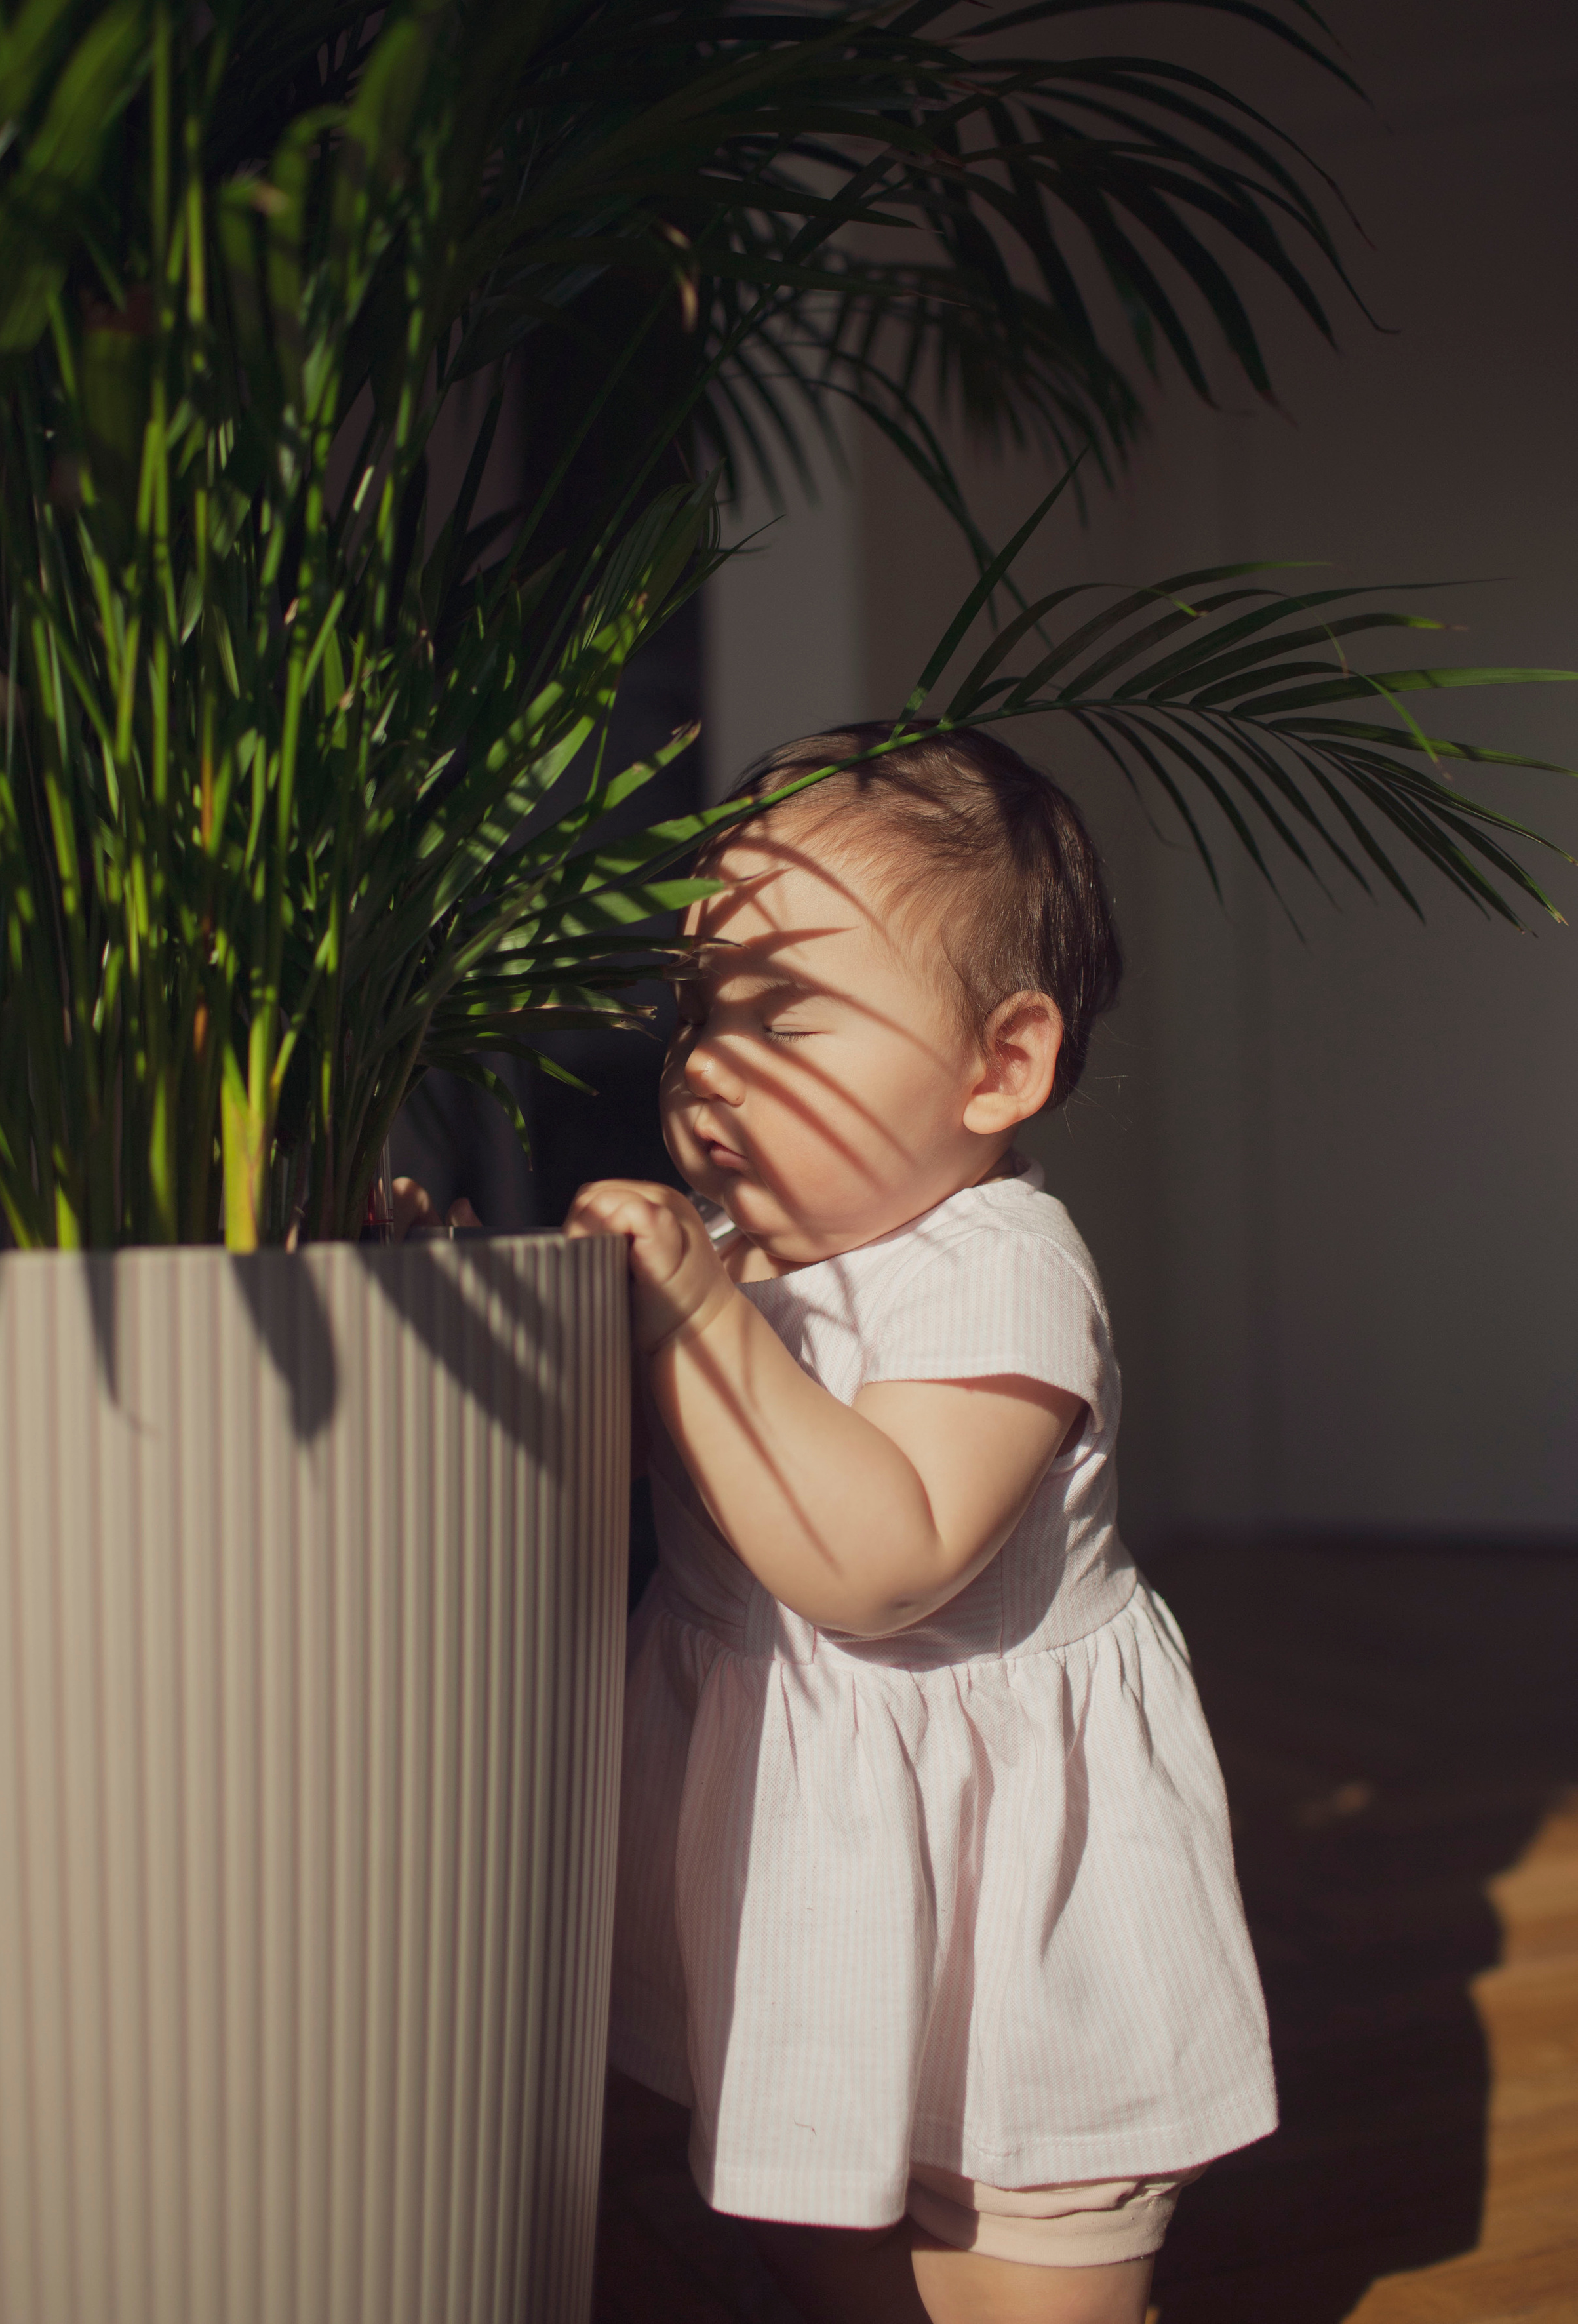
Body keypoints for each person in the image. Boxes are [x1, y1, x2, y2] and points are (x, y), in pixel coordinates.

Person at [563, 724, 1276, 2324]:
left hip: (1005, 1889)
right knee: (836, 2242)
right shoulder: (747, 1259)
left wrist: (686, 1305)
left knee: (1032, 2268)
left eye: (776, 1014)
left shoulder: (996, 1266)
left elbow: (878, 1565)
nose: (703, 1066)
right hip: (812, 1874)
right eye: (693, 1013)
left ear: (996, 1067)